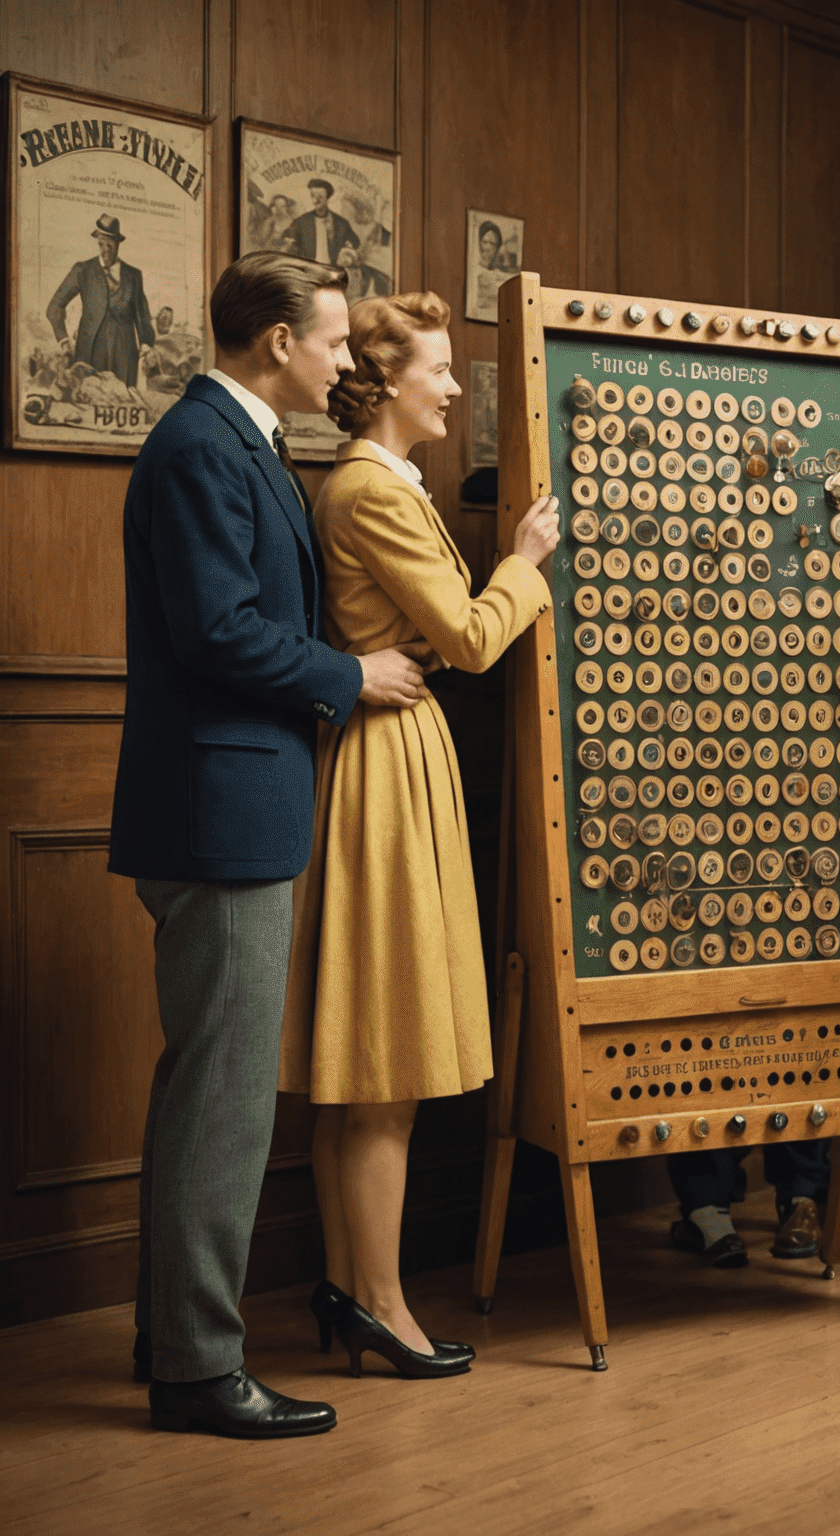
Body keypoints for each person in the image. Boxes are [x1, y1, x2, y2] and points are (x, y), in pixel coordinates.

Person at [110, 251, 431, 1437]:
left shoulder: (234, 441)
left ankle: (172, 1331)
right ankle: (198, 1370)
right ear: (274, 343)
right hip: (219, 811)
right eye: (334, 341)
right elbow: (219, 634)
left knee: (206, 1088)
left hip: (229, 803)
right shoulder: (202, 446)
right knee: (226, 1099)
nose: (348, 361)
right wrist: (353, 672)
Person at [279, 290, 559, 1379]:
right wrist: (526, 560)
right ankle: (382, 1306)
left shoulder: (370, 483)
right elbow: (474, 639)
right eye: (440, 371)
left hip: (381, 761)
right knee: (382, 1061)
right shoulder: (374, 492)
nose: (453, 387)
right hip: (389, 771)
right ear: (389, 385)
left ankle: (353, 1293)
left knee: (361, 1064)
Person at [45, 214, 155, 389]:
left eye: (110, 244)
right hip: (89, 353)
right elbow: (54, 306)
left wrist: (146, 344)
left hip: (124, 356)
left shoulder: (134, 276)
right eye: (101, 244)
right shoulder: (83, 270)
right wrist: (64, 341)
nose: (105, 250)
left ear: (118, 244)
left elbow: (142, 316)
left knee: (123, 403)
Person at [283, 179, 359, 265]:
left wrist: (347, 248)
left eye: (320, 197)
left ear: (327, 197)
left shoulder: (341, 223)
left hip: (332, 269)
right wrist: (290, 242)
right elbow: (288, 235)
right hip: (308, 269)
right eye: (312, 196)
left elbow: (354, 241)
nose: (315, 200)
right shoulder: (302, 221)